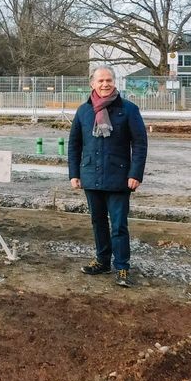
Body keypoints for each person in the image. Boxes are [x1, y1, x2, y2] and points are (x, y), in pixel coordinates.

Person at [68, 65, 148, 288]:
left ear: (114, 82)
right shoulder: (83, 111)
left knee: (119, 224)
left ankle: (122, 267)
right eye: (100, 80)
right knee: (98, 221)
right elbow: (74, 144)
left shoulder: (128, 109)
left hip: (119, 177)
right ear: (92, 83)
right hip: (91, 175)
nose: (105, 84)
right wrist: (74, 173)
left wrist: (135, 174)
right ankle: (102, 261)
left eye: (109, 80)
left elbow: (140, 144)